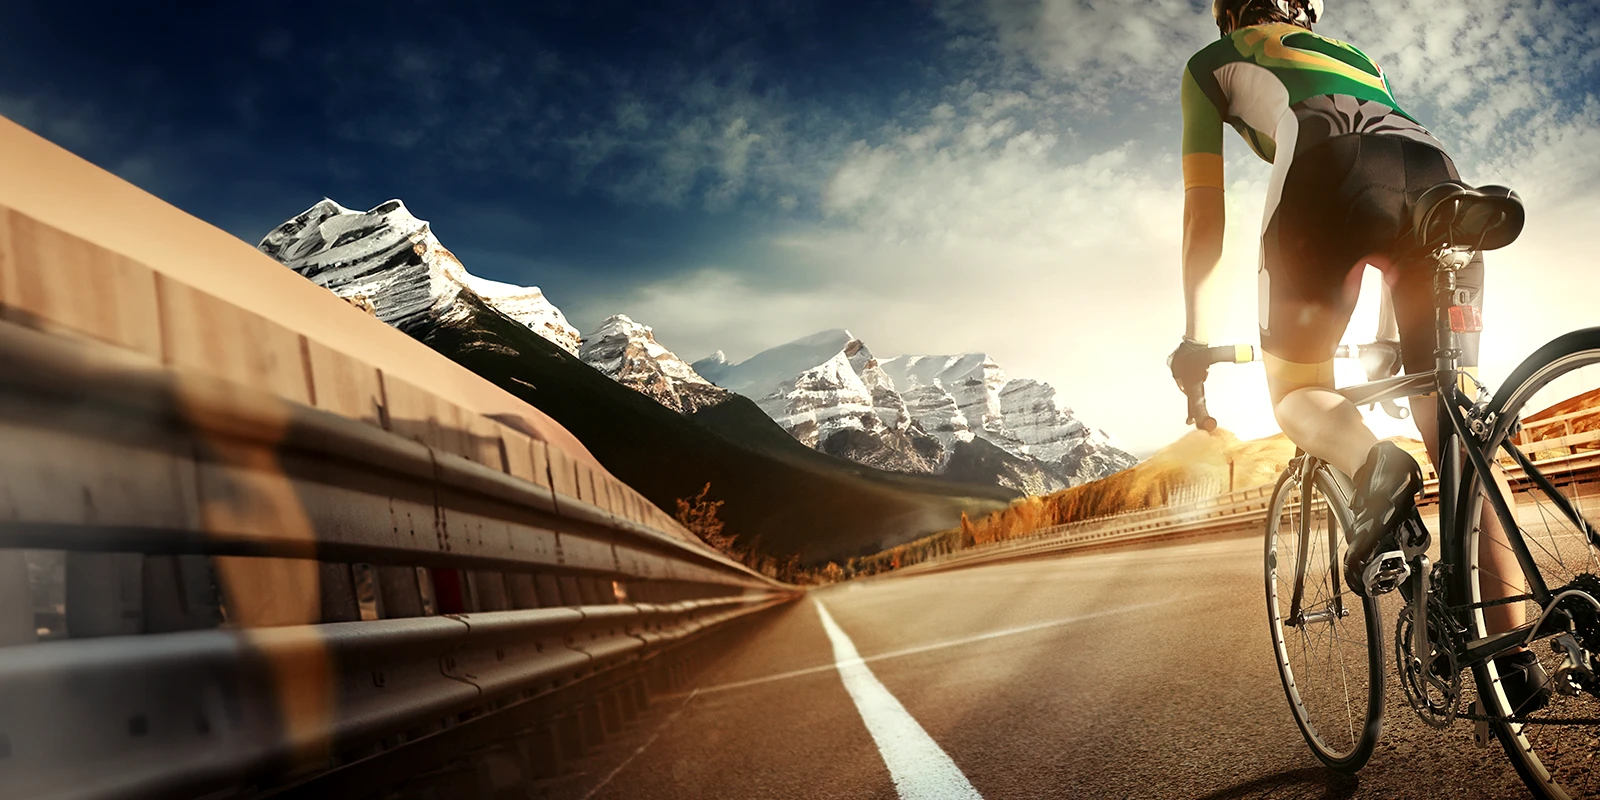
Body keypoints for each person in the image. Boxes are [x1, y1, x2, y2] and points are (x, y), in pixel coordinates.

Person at [1167, 0, 1549, 710]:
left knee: (1297, 395)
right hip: (1438, 175)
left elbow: (1204, 215)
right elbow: (1392, 177)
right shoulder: (1358, 58)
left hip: (1328, 168)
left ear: (1229, 13)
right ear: (1305, 10)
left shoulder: (1210, 66)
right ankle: (1516, 658)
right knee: (1454, 422)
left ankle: (1379, 466)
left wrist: (1195, 338)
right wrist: (1391, 337)